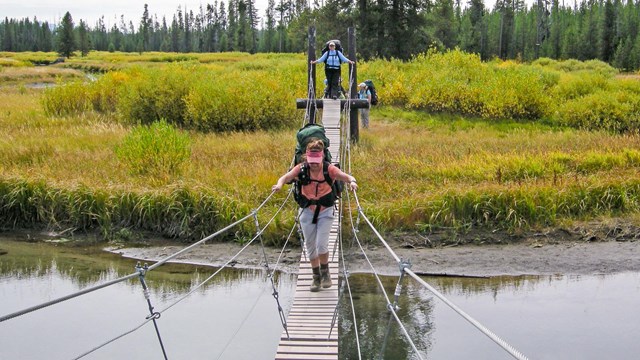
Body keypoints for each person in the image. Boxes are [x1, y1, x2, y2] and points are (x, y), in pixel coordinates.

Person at [272, 139, 358, 292]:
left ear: (322, 157)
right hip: (306, 211)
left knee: (321, 244)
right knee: (310, 247)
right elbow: (285, 177)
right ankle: (316, 277)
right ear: (307, 157)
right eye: (311, 161)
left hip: (325, 211)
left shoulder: (329, 169)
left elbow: (346, 177)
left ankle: (326, 274)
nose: (314, 164)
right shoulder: (301, 168)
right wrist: (279, 185)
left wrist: (352, 182)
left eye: (316, 161)